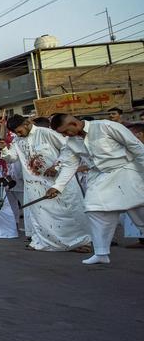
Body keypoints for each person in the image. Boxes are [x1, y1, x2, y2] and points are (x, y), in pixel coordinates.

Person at [46, 113, 144, 264]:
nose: (65, 135)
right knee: (94, 208)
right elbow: (69, 165)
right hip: (100, 177)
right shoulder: (71, 142)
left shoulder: (106, 126)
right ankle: (101, 252)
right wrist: (57, 186)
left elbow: (136, 147)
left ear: (74, 123)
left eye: (66, 131)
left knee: (140, 212)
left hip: (126, 172)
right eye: (62, 133)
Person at [0, 115, 91, 252]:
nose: (18, 134)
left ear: (27, 123)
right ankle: (43, 241)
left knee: (69, 212)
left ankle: (81, 242)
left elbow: (68, 150)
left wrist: (57, 166)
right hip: (35, 184)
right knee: (41, 215)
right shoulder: (17, 141)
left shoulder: (46, 133)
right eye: (15, 133)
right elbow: (11, 158)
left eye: (19, 131)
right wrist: (4, 149)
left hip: (58, 181)